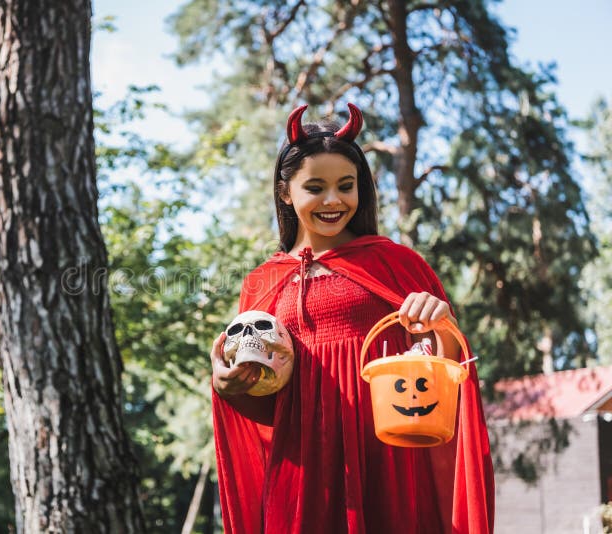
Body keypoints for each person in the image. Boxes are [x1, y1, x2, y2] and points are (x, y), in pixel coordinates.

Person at [209, 103, 494, 534]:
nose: (333, 200)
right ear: (286, 192)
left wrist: (441, 329)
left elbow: (444, 374)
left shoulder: (396, 264)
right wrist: (228, 387)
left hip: (388, 460)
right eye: (315, 187)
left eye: (346, 185)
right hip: (304, 470)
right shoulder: (262, 282)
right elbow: (269, 403)